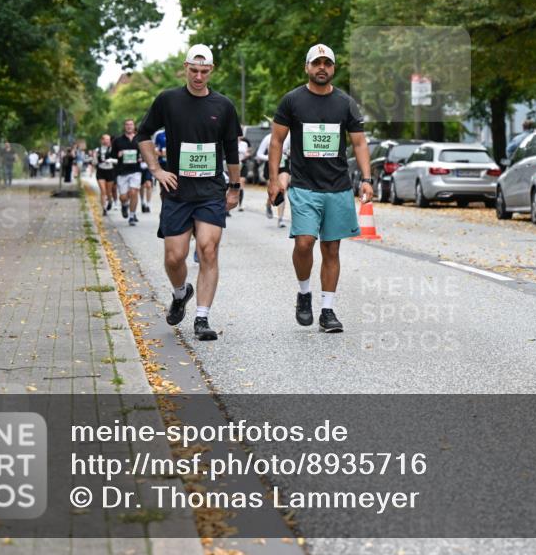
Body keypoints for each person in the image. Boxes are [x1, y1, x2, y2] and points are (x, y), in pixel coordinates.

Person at [138, 44, 241, 341]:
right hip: (177, 191)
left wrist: (234, 188)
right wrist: (156, 170)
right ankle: (181, 293)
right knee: (175, 257)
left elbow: (232, 150)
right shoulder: (168, 100)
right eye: (193, 70)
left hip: (211, 190)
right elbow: (144, 134)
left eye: (204, 71)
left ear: (212, 70)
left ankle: (202, 318)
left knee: (208, 249)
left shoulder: (223, 105)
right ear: (185, 67)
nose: (198, 76)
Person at [267, 43, 374, 333]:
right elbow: (276, 141)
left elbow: (359, 142)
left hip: (337, 187)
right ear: (307, 67)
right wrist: (274, 177)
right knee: (303, 243)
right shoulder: (292, 101)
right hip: (304, 186)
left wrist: (366, 178)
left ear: (333, 69)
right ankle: (304, 293)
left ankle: (327, 311)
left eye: (327, 63)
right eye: (317, 63)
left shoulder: (345, 103)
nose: (322, 68)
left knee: (331, 248)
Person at [113, 119, 143, 225]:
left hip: (135, 170)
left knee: (134, 192)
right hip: (122, 171)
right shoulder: (118, 140)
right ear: (124, 127)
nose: (129, 126)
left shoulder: (139, 139)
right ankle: (124, 205)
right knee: (123, 197)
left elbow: (145, 153)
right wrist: (118, 154)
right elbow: (112, 156)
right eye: (127, 124)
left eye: (131, 124)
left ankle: (131, 216)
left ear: (134, 126)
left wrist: (142, 158)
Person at [257, 131, 290, 225]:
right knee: (273, 190)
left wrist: (288, 153)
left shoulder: (290, 136)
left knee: (282, 189)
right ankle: (268, 205)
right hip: (271, 166)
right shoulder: (268, 138)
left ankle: (281, 219)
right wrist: (271, 157)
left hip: (284, 165)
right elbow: (259, 154)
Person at [94, 134, 118, 215]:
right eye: (105, 139)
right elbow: (94, 162)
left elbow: (118, 160)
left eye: (108, 139)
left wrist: (111, 160)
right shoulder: (97, 150)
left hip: (110, 171)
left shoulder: (113, 149)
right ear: (102, 140)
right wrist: (94, 158)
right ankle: (104, 208)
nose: (107, 141)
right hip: (100, 171)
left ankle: (110, 201)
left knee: (108, 192)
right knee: (103, 191)